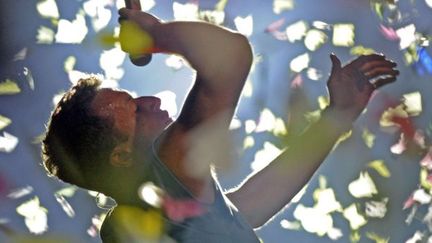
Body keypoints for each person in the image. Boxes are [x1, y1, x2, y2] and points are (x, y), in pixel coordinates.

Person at [41, 8, 399, 243]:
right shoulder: (161, 174)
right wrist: (156, 36)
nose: (149, 101)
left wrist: (335, 118)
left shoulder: (155, 213)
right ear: (121, 156)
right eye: (134, 110)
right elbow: (229, 56)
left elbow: (249, 208)